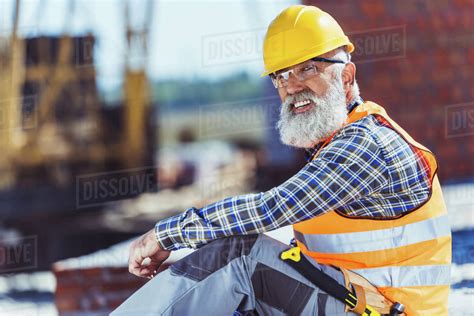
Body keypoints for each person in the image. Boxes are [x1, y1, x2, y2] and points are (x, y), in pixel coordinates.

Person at [113, 5, 451, 315]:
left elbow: (270, 209)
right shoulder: (333, 143)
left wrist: (166, 234)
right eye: (281, 76)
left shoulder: (366, 145)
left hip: (385, 309)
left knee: (238, 256)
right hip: (358, 302)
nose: (292, 87)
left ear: (346, 77)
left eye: (308, 69)